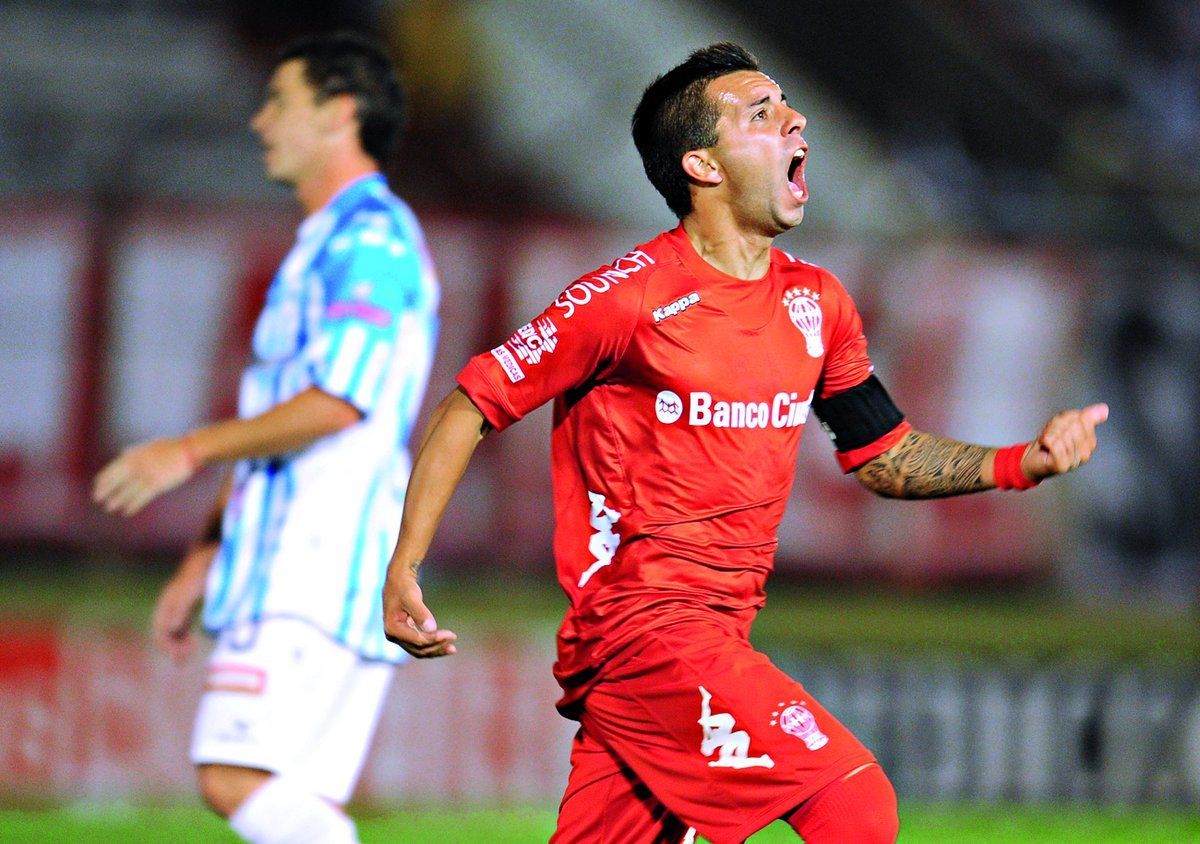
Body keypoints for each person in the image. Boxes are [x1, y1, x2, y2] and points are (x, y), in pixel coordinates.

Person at [381, 42, 1106, 844]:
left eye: (788, 106)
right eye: (762, 114)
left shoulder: (817, 303)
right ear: (703, 164)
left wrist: (1020, 463)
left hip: (714, 633)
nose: (796, 119)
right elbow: (468, 405)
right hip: (644, 630)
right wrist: (404, 567)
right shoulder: (628, 299)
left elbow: (884, 455)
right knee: (856, 806)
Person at [93, 33, 438, 844]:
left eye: (280, 100)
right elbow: (279, 416)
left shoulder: (372, 242)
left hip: (317, 563)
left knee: (233, 777)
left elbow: (340, 399)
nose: (259, 120)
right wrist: (204, 557)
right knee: (290, 801)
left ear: (338, 113)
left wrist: (185, 449)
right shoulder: (324, 244)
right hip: (287, 560)